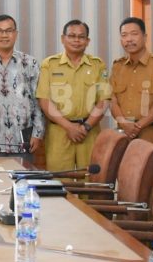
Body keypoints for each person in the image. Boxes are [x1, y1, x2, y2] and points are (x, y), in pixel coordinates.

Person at [36, 20, 110, 171]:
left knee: (90, 181)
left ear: (87, 41)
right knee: (60, 181)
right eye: (72, 36)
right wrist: (69, 126)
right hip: (59, 131)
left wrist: (87, 126)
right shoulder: (50, 64)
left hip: (89, 132)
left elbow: (104, 100)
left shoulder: (97, 65)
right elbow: (44, 100)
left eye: (81, 37)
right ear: (63, 39)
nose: (76, 40)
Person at [0, 15, 44, 156]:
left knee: (22, 178)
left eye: (9, 30)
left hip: (23, 141)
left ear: (16, 34)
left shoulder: (30, 63)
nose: (4, 35)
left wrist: (38, 133)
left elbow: (38, 101)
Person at [109, 17, 153, 149]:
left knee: (149, 169)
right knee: (122, 169)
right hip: (122, 133)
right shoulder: (117, 66)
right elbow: (112, 100)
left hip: (149, 133)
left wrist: (138, 126)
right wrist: (124, 123)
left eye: (134, 34)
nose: (129, 39)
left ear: (145, 37)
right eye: (124, 35)